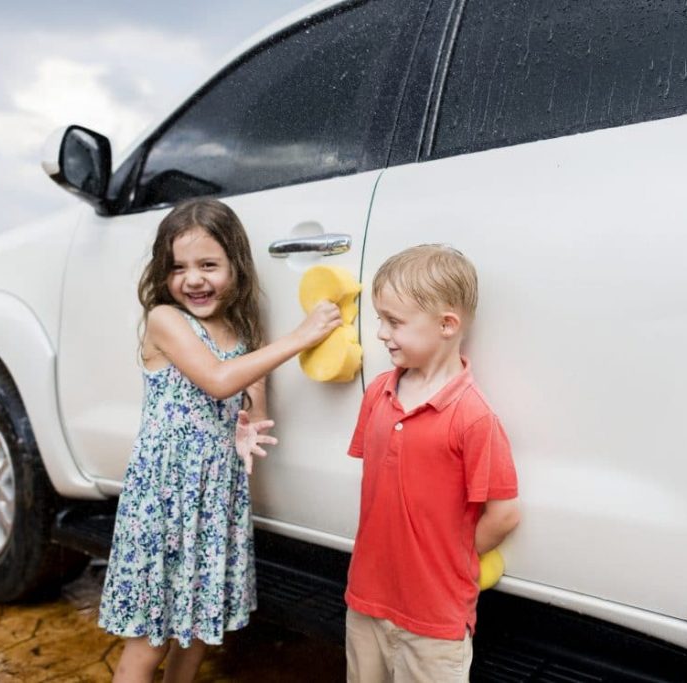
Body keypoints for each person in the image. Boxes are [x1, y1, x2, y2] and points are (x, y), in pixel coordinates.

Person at [98, 198, 341, 682]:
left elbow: (253, 405)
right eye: (178, 267)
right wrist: (299, 338)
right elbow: (216, 380)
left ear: (236, 267)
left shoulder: (243, 332)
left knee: (199, 631)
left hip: (213, 499)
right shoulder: (166, 320)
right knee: (151, 638)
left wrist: (247, 426)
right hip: (166, 498)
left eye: (208, 265)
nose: (193, 279)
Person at [345, 244, 521, 682]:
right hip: (366, 599)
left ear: (447, 325)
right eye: (380, 319)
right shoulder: (378, 393)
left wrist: (449, 560)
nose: (381, 333)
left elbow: (504, 514)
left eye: (394, 322)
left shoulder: (473, 417)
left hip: (434, 620)